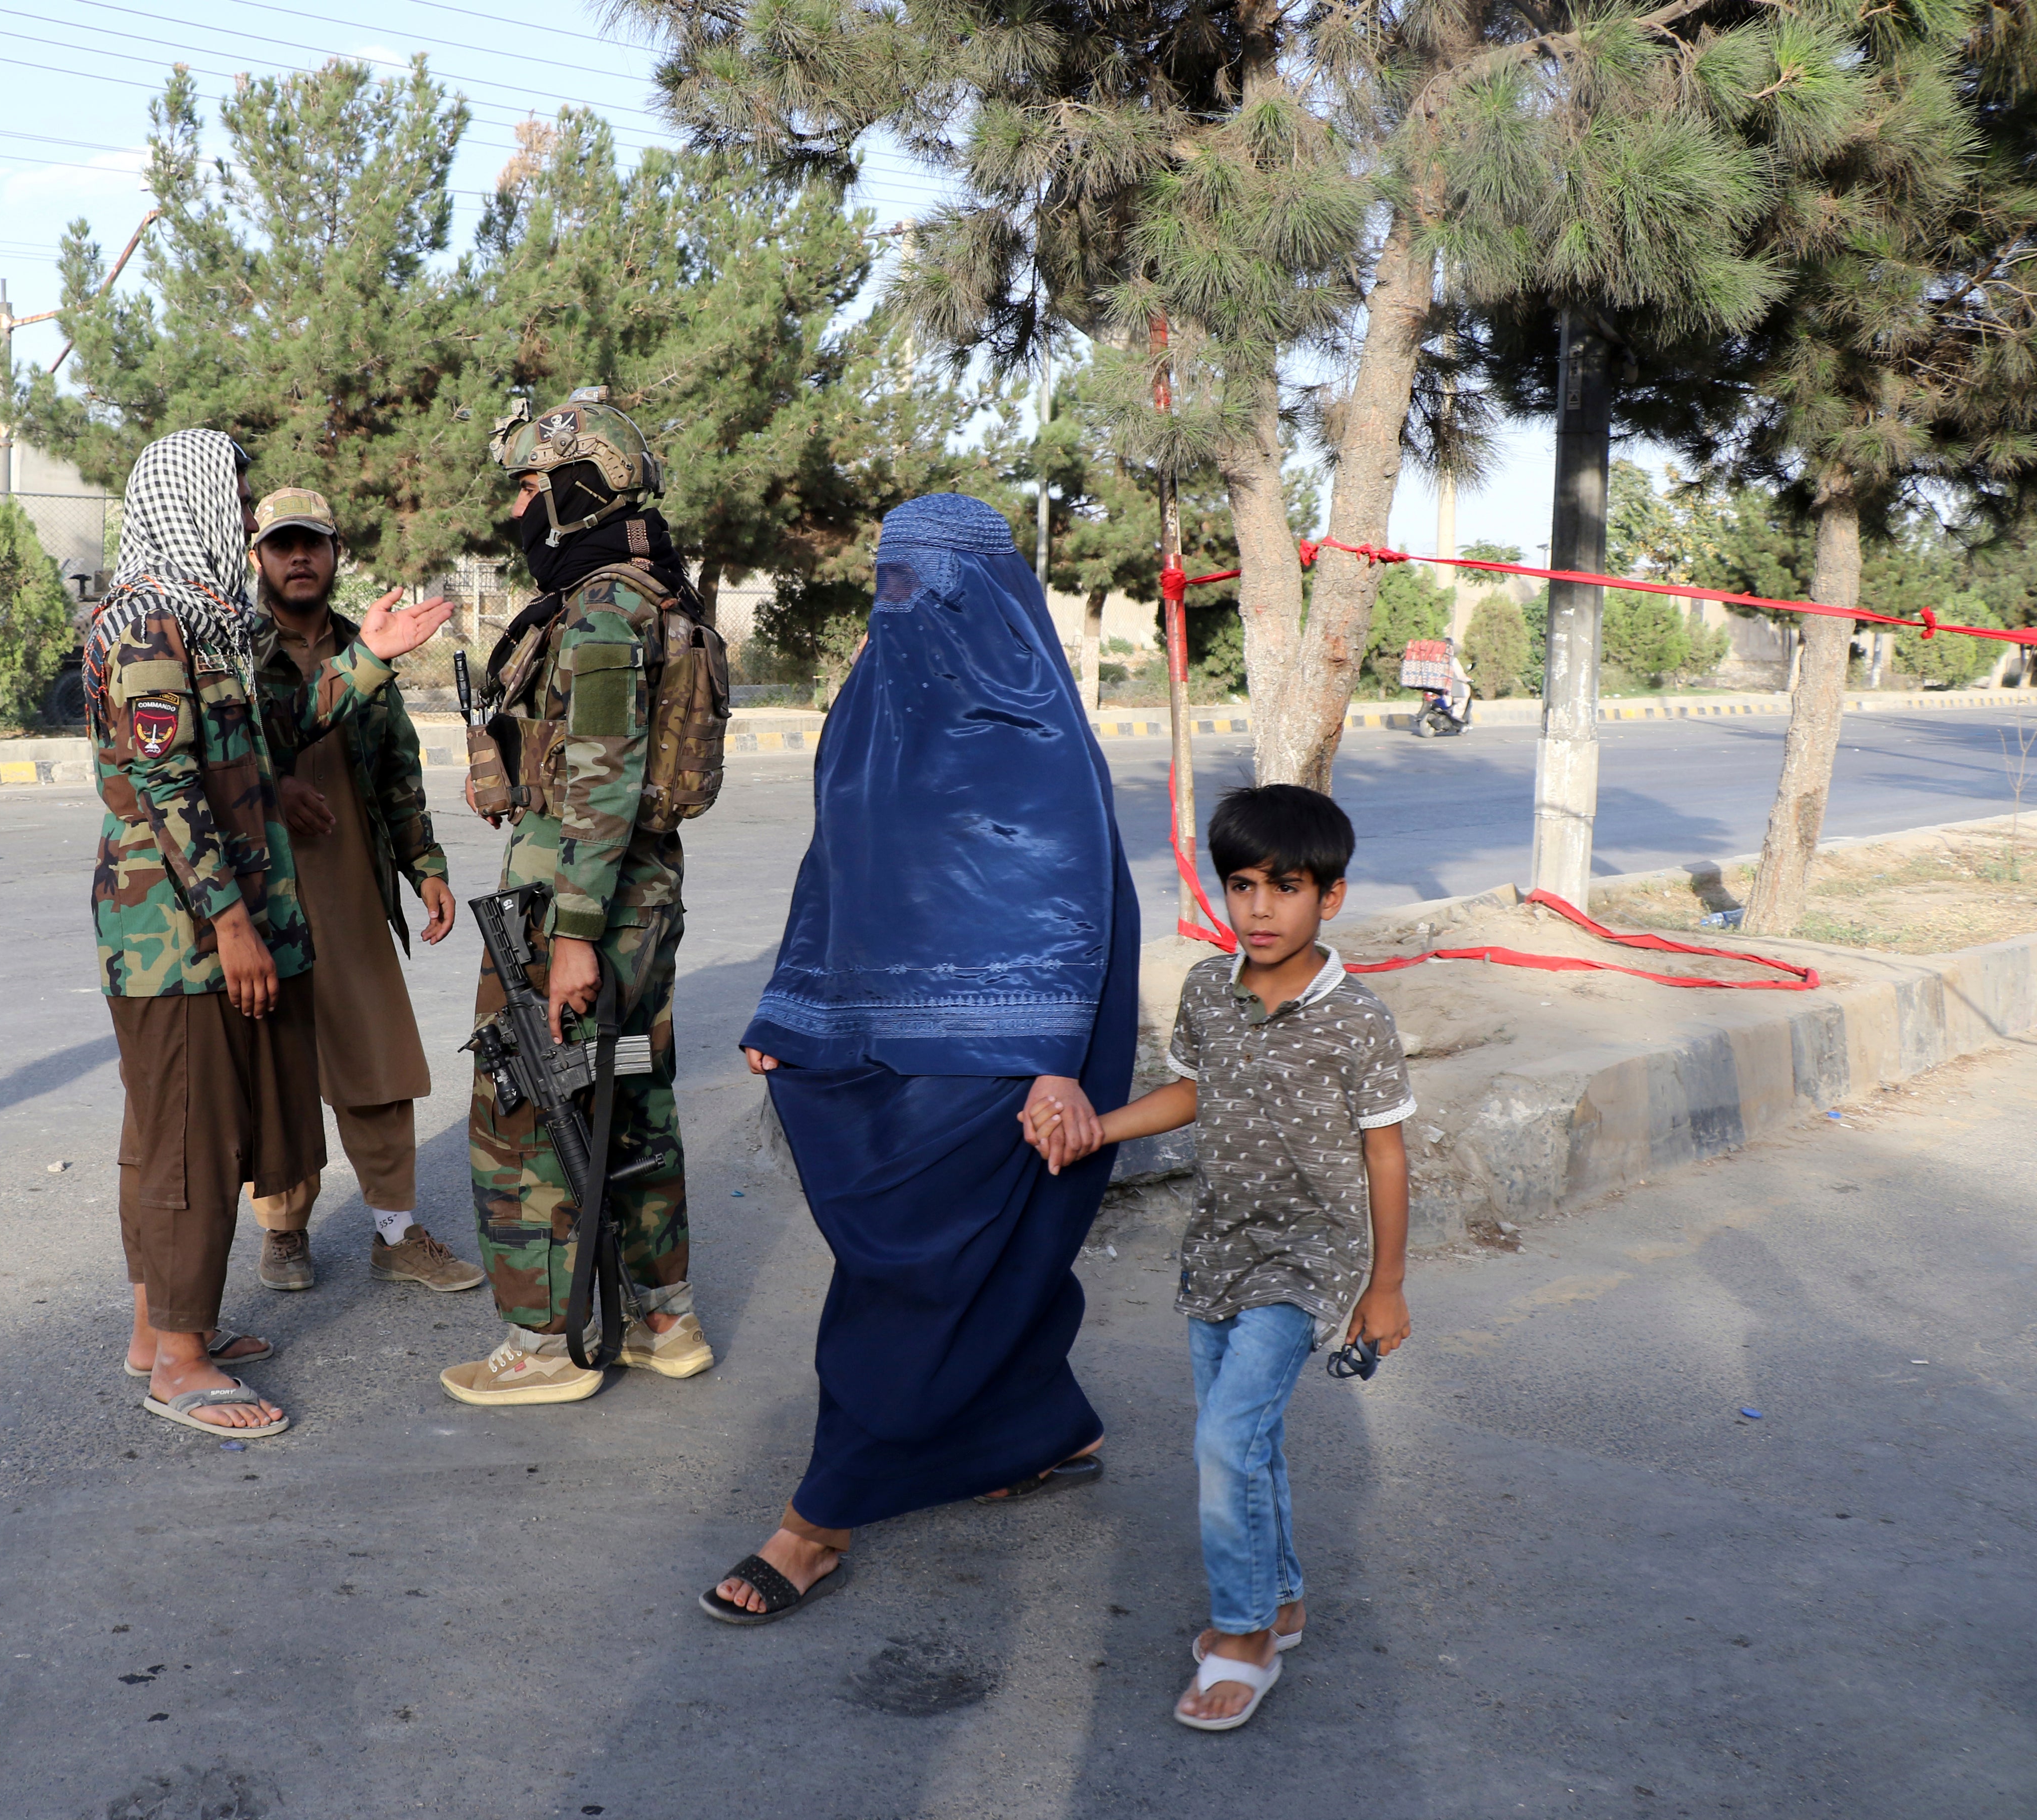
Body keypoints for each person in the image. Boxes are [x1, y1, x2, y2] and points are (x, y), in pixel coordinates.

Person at [704, 491, 1141, 1625]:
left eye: (927, 582)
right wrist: (791, 1007)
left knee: (915, 1280)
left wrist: (1055, 1064)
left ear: (985, 592)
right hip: (873, 1031)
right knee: (982, 1265)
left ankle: (816, 1525)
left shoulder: (1034, 729)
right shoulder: (872, 704)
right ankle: (1043, 1429)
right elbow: (834, 864)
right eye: (886, 578)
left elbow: (1074, 904)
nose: (902, 604)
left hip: (1015, 1050)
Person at [87, 429, 452, 1440]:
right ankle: (182, 1364)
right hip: (178, 934)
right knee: (188, 1145)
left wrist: (368, 661)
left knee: (188, 1135)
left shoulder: (206, 620)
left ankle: (160, 1332)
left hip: (209, 927)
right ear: (187, 495)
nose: (248, 515)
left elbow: (256, 743)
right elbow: (163, 782)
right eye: (237, 493)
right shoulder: (152, 621)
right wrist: (234, 922)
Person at [1036, 782, 1415, 1731]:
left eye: (1285, 888)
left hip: (1308, 1257)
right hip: (1220, 1249)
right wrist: (1099, 1129)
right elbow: (1191, 1091)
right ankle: (1282, 1598)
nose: (1259, 908)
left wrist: (1387, 1287)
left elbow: (1386, 1151)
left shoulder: (1356, 1019)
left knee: (1223, 1439)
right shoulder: (1210, 987)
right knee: (1245, 1440)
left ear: (1329, 898)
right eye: (1242, 885)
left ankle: (1244, 1635)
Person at [439, 390, 718, 1406]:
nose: (519, 508)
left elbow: (601, 785)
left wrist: (573, 940)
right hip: (642, 899)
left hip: (576, 908)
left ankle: (542, 1346)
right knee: (633, 1095)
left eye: (529, 487)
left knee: (532, 1109)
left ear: (577, 493)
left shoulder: (603, 614)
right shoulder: (657, 596)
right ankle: (664, 1317)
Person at [244, 485, 486, 1295]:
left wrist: (425, 866)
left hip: (348, 889)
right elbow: (240, 745)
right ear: (258, 558)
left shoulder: (364, 642)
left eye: (313, 542)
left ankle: (395, 1232)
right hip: (260, 898)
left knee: (377, 1066)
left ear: (336, 553)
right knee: (275, 1070)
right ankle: (284, 1232)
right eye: (283, 544)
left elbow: (395, 771)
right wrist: (275, 787)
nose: (299, 557)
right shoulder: (235, 648)